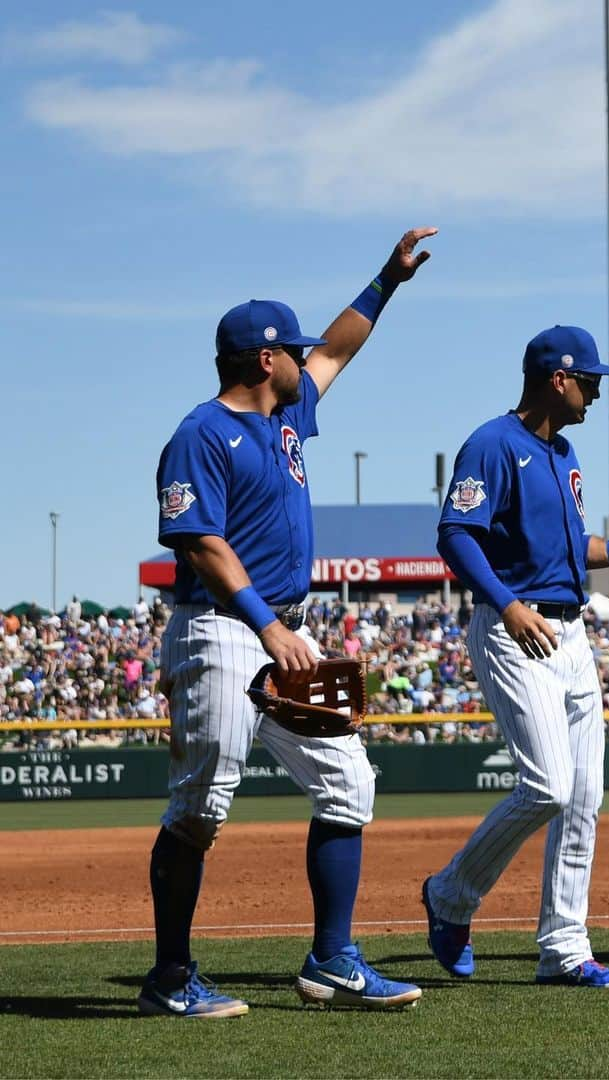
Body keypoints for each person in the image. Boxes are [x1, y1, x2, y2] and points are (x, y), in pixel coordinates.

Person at [139, 227, 437, 1018]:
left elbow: (339, 350)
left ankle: (332, 961)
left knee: (348, 783)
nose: (311, 361)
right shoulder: (202, 433)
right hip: (225, 631)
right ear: (265, 361)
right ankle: (169, 979)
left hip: (283, 631)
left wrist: (388, 279)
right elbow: (202, 543)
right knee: (201, 808)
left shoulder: (288, 419)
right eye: (294, 352)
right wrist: (267, 625)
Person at [421, 325, 609, 988]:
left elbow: (579, 549)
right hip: (516, 629)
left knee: (585, 795)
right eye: (589, 380)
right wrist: (506, 603)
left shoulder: (565, 453)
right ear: (557, 378)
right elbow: (455, 534)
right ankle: (449, 897)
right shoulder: (493, 444)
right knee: (549, 786)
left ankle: (564, 948)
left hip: (571, 633)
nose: (594, 392)